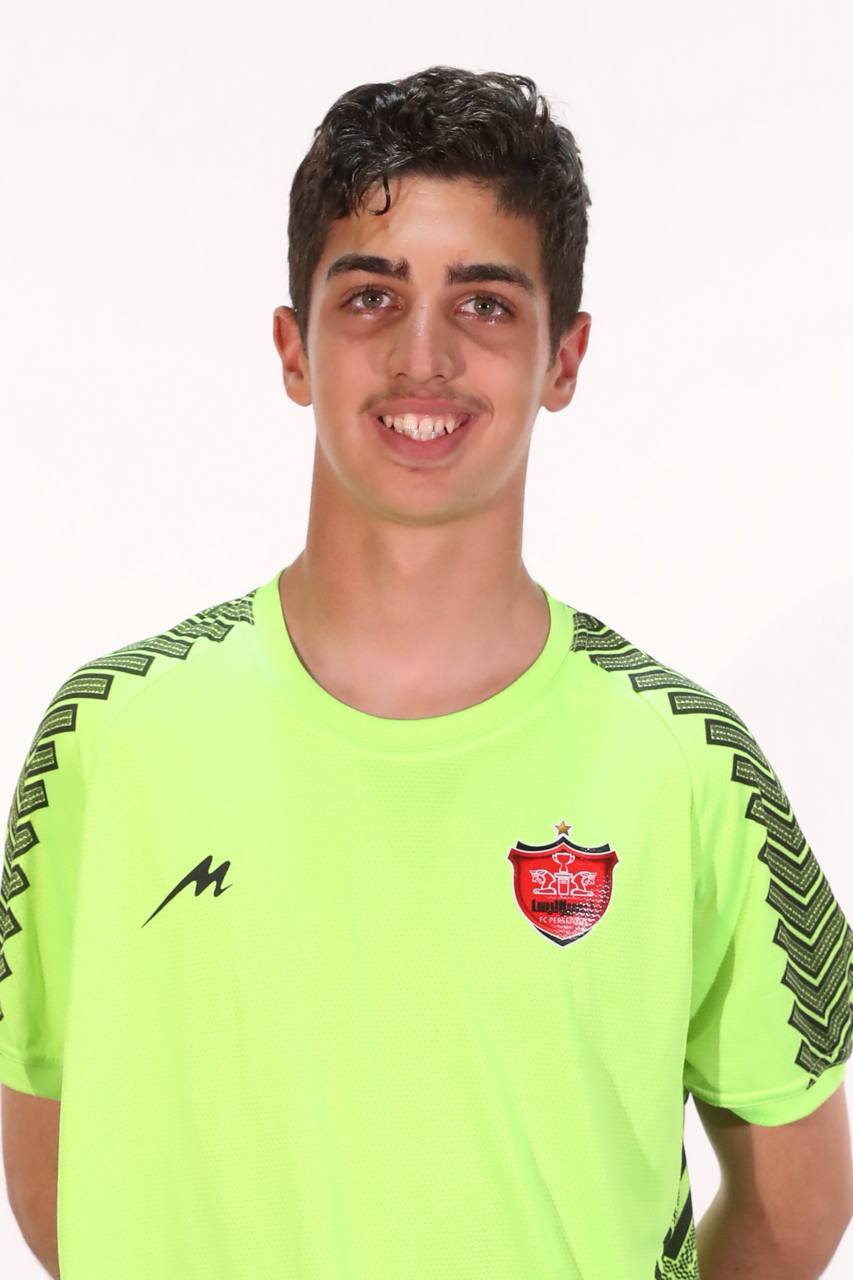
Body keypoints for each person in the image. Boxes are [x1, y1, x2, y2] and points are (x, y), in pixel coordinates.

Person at [1, 64, 851, 1280]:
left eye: (485, 303)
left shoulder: (690, 768)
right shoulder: (107, 738)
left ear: (564, 358)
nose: (423, 354)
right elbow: (58, 1179)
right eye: (370, 294)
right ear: (293, 347)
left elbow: (795, 1207)